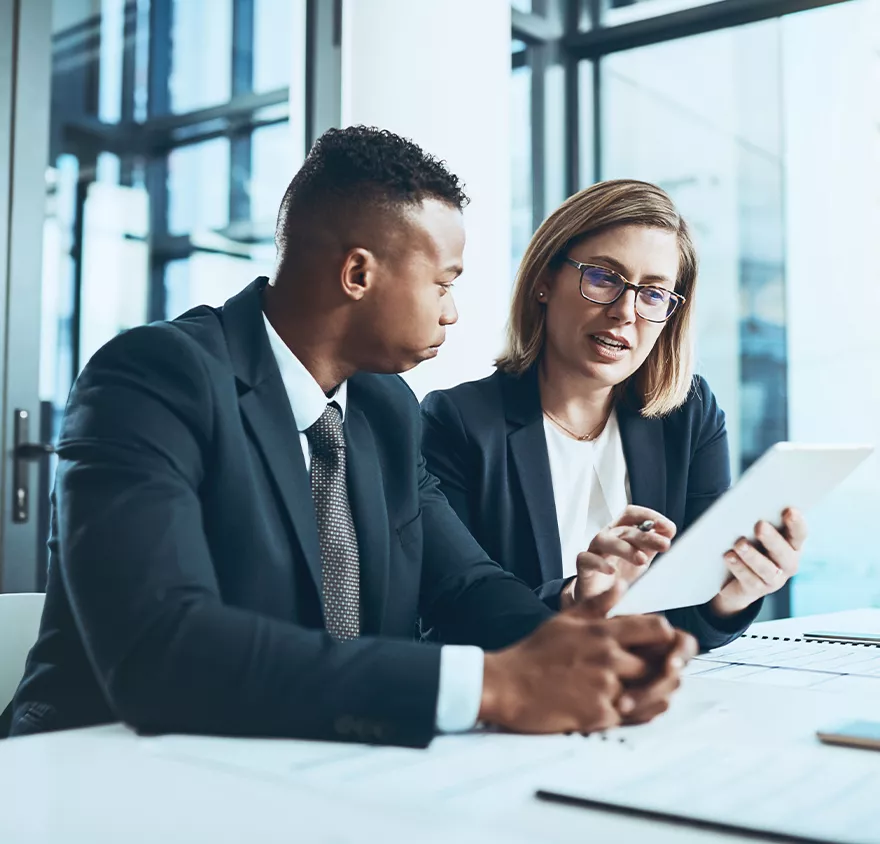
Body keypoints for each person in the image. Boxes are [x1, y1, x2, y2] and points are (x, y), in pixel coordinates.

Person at [8, 131, 696, 746]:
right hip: (97, 766)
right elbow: (162, 649)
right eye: (443, 283)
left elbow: (463, 583)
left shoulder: (383, 408)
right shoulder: (153, 378)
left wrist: (577, 642)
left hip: (307, 763)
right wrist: (493, 686)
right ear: (358, 274)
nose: (453, 311)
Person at [420, 179, 807, 650]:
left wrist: (735, 592)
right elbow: (455, 613)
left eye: (653, 294)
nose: (626, 312)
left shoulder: (688, 416)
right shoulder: (456, 421)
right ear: (544, 281)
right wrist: (574, 598)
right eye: (604, 278)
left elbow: (688, 620)